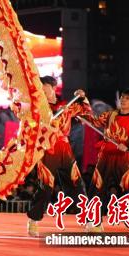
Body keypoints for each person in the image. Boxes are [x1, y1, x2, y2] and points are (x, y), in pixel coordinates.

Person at [26, 77, 92, 236]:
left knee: (77, 184)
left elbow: (86, 111)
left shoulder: (66, 105)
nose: (42, 89)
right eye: (40, 87)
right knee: (46, 186)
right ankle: (33, 220)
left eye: (45, 86)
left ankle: (89, 220)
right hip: (47, 149)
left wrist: (83, 97)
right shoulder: (38, 108)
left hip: (64, 148)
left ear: (54, 88)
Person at [82, 88, 129, 236]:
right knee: (96, 188)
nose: (123, 100)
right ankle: (93, 223)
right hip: (105, 157)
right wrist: (83, 103)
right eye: (122, 97)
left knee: (127, 191)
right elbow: (93, 121)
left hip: (123, 158)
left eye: (127, 98)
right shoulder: (110, 115)